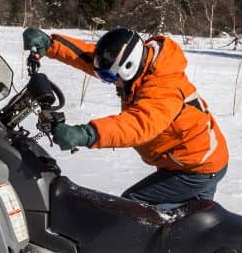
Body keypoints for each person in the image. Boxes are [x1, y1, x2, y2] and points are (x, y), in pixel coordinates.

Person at [22, 27, 229, 208]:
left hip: (197, 169)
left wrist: (86, 134)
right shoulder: (141, 64)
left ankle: (137, 252)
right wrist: (50, 45)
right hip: (193, 161)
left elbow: (138, 125)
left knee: (134, 207)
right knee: (190, 218)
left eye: (112, 79)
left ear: (129, 68)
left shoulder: (163, 88)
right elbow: (91, 58)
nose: (111, 84)